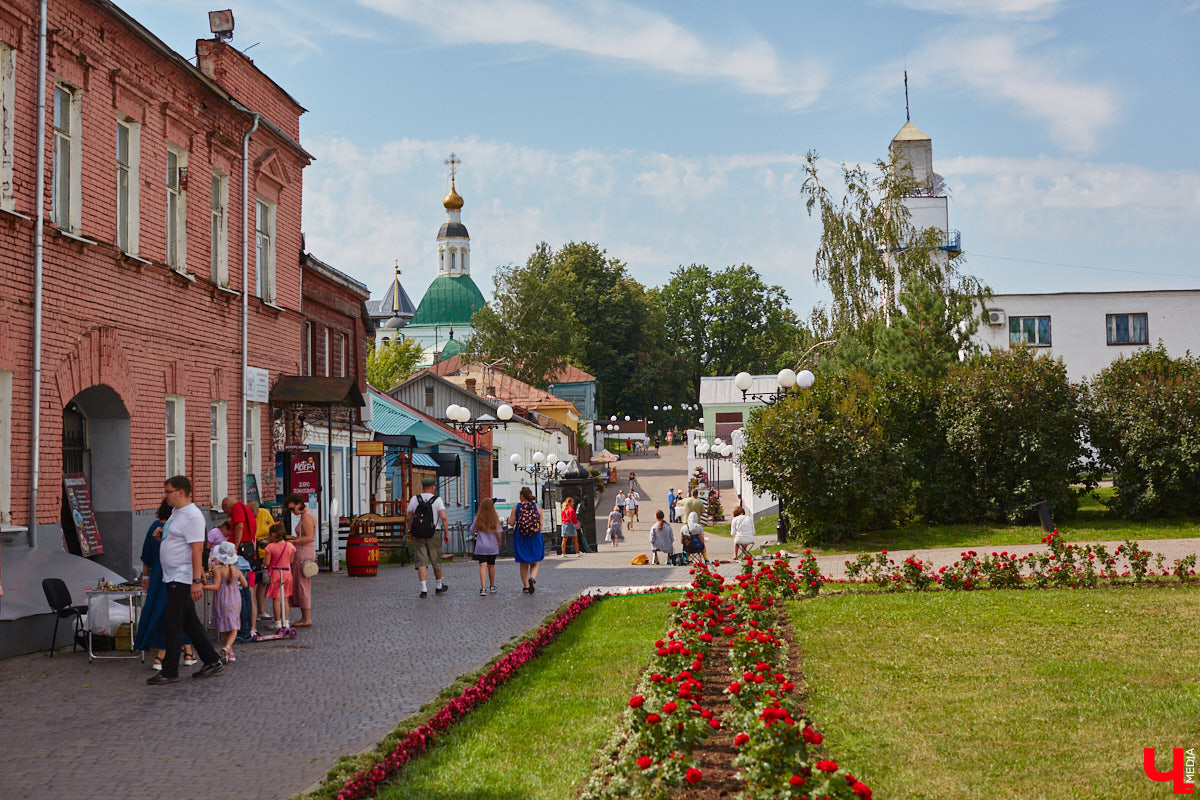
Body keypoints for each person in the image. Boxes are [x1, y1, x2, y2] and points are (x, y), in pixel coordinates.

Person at [147, 475, 223, 685]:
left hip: (182, 576)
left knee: (173, 622)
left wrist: (196, 580)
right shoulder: (176, 513)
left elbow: (197, 548)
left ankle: (170, 669)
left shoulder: (192, 516)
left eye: (168, 492)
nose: (165, 497)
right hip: (172, 574)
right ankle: (212, 659)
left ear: (180, 492)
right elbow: (177, 538)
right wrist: (162, 535)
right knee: (189, 621)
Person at [135, 501, 197, 670]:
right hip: (174, 574)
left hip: (157, 574)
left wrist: (145, 576)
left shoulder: (155, 526)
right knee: (173, 612)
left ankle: (187, 651)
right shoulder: (178, 528)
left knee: (171, 611)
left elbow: (147, 556)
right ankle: (164, 656)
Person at [406, 476, 450, 598]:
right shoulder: (437, 500)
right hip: (434, 533)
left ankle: (424, 588)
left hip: (418, 534)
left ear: (423, 487)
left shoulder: (415, 499)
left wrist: (410, 531)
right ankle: (438, 585)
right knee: (436, 560)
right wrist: (446, 533)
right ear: (433, 487)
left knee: (421, 561)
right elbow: (444, 517)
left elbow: (409, 517)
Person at [204, 542, 247, 663]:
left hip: (222, 599)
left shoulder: (219, 571)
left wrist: (204, 586)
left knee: (224, 626)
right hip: (234, 599)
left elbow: (216, 586)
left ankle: (228, 649)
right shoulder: (236, 570)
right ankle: (229, 648)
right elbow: (245, 584)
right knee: (234, 627)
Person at [284, 494, 316, 626]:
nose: (293, 512)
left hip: (304, 553)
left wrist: (294, 541)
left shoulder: (307, 517)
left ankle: (306, 618)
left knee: (302, 585)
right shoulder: (305, 515)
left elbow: (309, 537)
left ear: (298, 504)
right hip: (302, 551)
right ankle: (304, 617)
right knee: (300, 584)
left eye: (293, 508)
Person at [508, 486, 544, 593]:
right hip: (535, 537)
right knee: (536, 562)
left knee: (523, 563)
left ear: (522, 496)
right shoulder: (537, 507)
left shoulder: (517, 507)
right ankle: (532, 578)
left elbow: (511, 523)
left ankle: (526, 587)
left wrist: (508, 519)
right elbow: (541, 525)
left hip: (521, 537)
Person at [263, 523, 296, 629]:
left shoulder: (270, 547)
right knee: (285, 598)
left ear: (272, 535)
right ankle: (286, 621)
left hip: (275, 574)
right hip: (287, 573)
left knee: (276, 599)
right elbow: (291, 560)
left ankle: (277, 622)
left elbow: (266, 562)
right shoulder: (290, 546)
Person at [470, 498, 502, 596]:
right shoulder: (495, 518)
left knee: (482, 566)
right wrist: (499, 542)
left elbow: (472, 531)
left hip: (481, 546)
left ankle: (483, 588)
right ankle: (492, 586)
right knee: (491, 566)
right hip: (492, 546)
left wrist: (477, 532)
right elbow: (499, 533)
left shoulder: (478, 518)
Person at [250, 501, 273, 625]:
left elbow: (273, 529)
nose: (255, 517)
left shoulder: (264, 513)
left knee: (263, 582)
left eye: (256, 514)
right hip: (253, 554)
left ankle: (261, 610)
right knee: (251, 583)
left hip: (265, 553)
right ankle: (252, 611)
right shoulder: (246, 518)